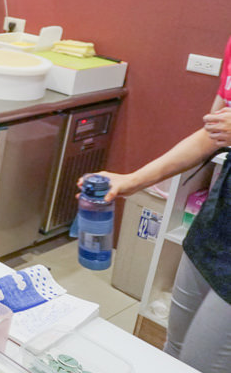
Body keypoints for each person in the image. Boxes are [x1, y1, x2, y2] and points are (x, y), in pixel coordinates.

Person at [87, 37, 231, 373]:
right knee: (172, 348)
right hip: (215, 226)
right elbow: (213, 131)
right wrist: (131, 180)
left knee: (201, 364)